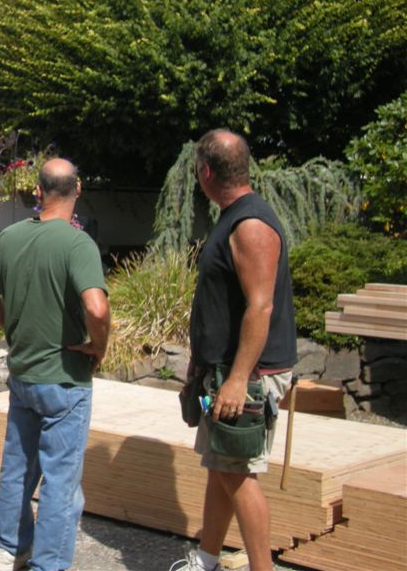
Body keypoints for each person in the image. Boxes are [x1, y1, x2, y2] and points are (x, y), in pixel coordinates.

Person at [0, 158, 111, 571]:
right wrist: (98, 346)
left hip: (24, 376)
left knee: (18, 469)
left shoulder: (9, 238)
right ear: (78, 190)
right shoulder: (78, 244)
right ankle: (48, 564)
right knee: (60, 483)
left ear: (37, 191)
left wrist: (12, 325)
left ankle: (9, 549)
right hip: (65, 379)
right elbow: (97, 308)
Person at [172, 130, 297, 571]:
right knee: (221, 465)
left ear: (206, 172)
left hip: (248, 376)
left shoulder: (250, 225)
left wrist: (239, 379)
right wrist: (202, 365)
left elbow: (260, 307)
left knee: (238, 473)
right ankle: (207, 559)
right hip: (223, 371)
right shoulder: (234, 218)